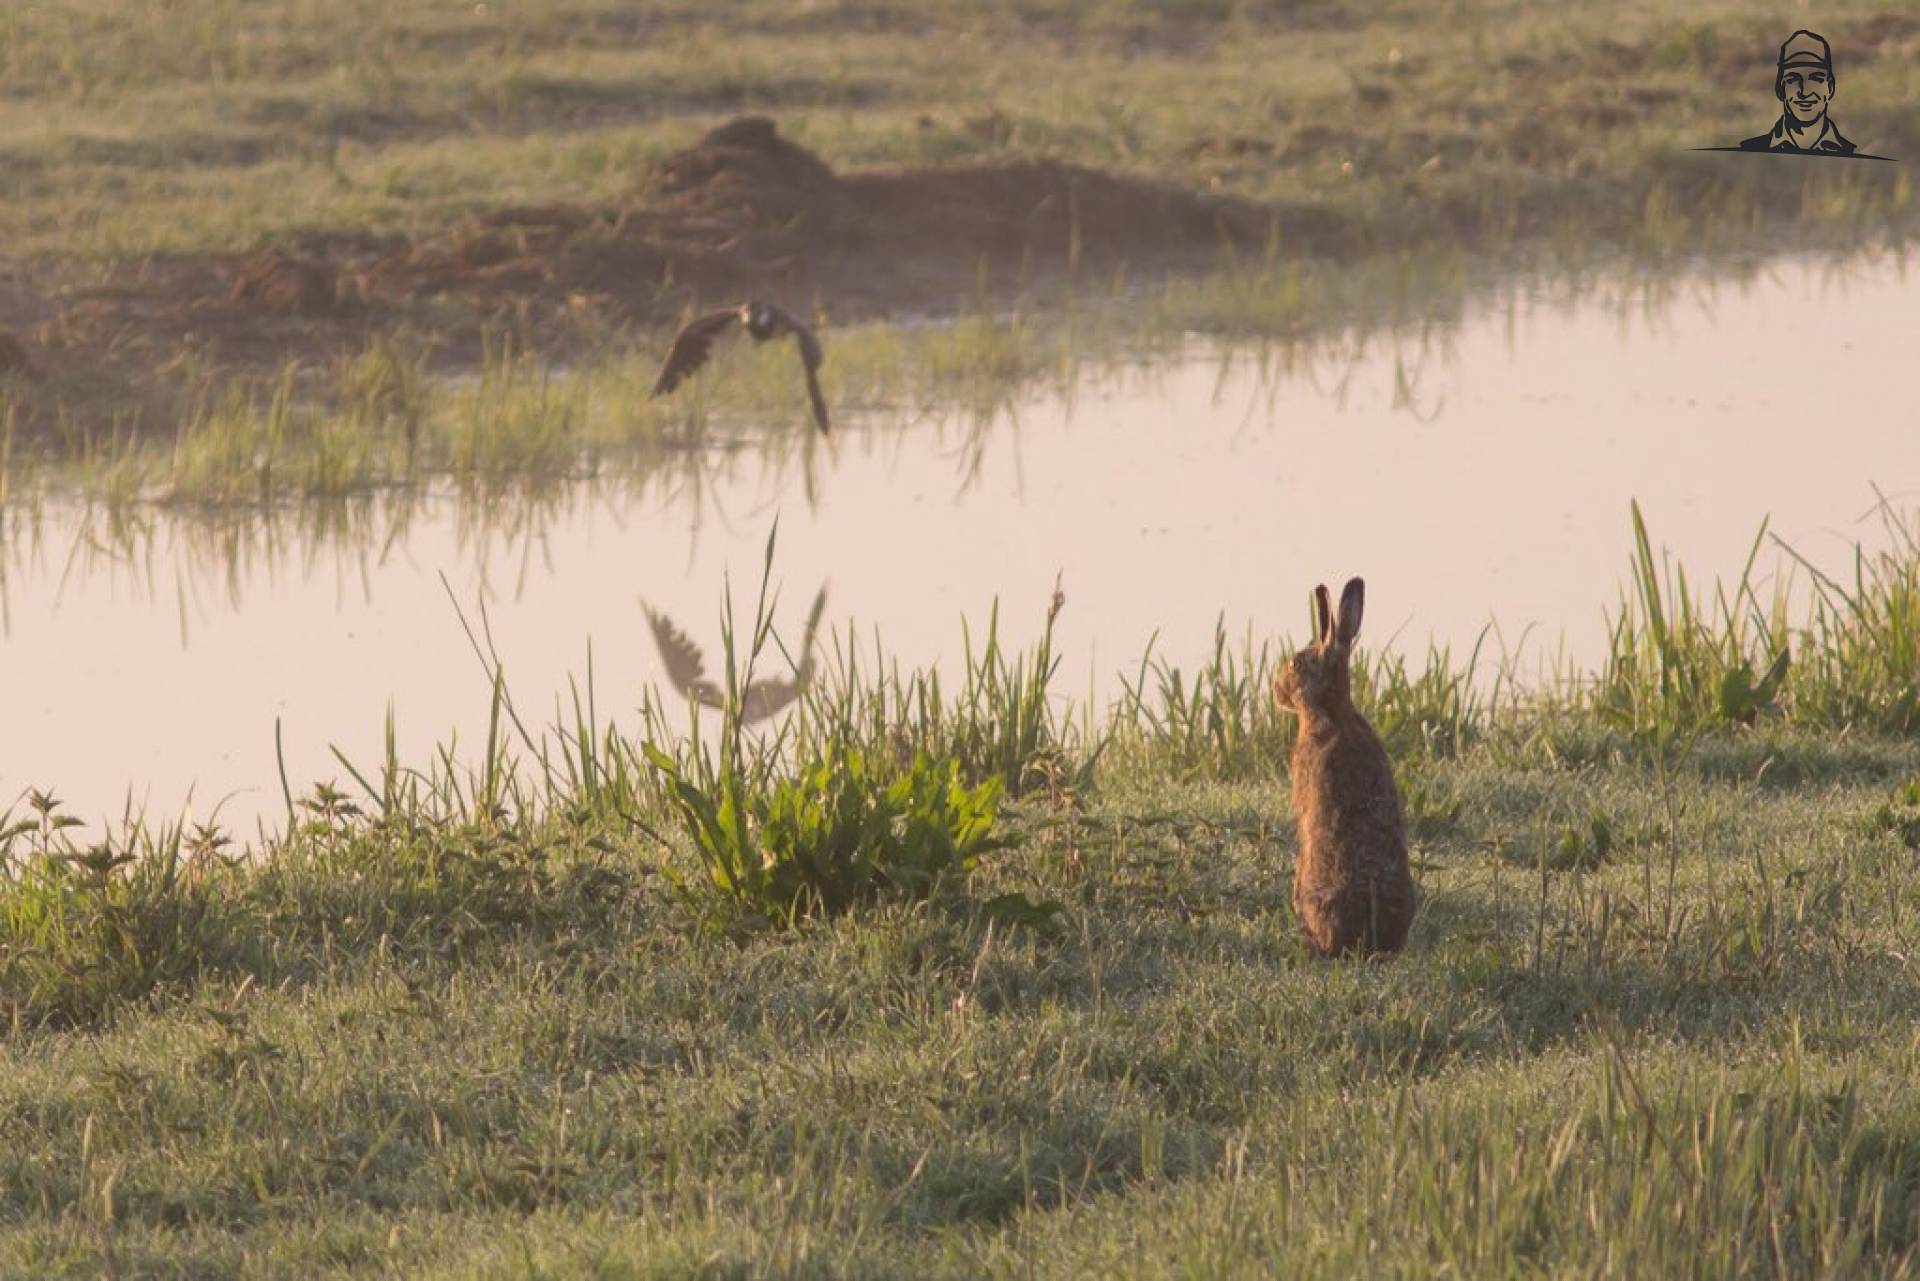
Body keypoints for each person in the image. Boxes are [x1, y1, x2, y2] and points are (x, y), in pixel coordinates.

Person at [1739, 30, 1856, 155]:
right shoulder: (1749, 151)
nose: (1804, 92)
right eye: (1792, 80)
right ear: (1779, 89)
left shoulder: (1854, 153)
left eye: (1815, 79)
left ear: (1831, 88)